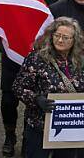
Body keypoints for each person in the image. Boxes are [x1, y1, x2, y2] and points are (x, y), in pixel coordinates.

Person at [13, 17, 84, 158]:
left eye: (65, 37)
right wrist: (36, 99)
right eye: (57, 35)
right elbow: (18, 86)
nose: (60, 40)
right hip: (39, 125)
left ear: (74, 40)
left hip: (70, 127)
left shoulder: (80, 60)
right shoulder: (37, 58)